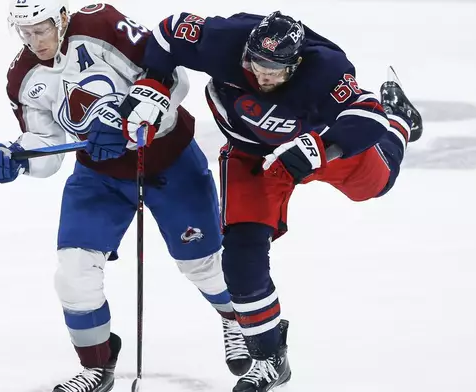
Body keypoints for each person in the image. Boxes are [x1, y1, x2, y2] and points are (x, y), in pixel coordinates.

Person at [118, 10, 423, 392]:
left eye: (274, 70)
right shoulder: (223, 39)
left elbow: (368, 114)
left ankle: (404, 122)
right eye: (255, 62)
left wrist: (324, 147)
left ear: (296, 65)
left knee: (375, 185)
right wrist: (154, 83)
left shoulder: (326, 68)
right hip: (251, 155)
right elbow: (168, 32)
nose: (261, 75)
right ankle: (269, 360)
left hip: (307, 149)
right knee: (241, 261)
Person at [0, 1, 253, 391]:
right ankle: (97, 365)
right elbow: (47, 148)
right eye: (25, 32)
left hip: (169, 159)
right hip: (99, 175)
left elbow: (173, 79)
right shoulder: (23, 75)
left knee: (202, 265)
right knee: (73, 273)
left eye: (42, 29)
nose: (34, 41)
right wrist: (16, 158)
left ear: (63, 17)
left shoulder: (102, 25)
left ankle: (235, 319)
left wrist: (133, 124)